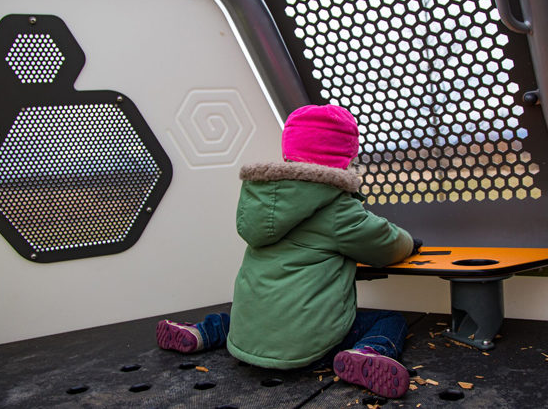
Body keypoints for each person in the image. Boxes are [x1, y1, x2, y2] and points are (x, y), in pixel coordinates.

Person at [157, 104, 421, 399]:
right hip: (308, 348)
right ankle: (367, 353)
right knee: (390, 320)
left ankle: (202, 333)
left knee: (251, 315)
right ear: (345, 157)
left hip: (247, 340)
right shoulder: (337, 207)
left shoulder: (260, 201)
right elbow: (386, 246)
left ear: (288, 151)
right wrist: (409, 242)